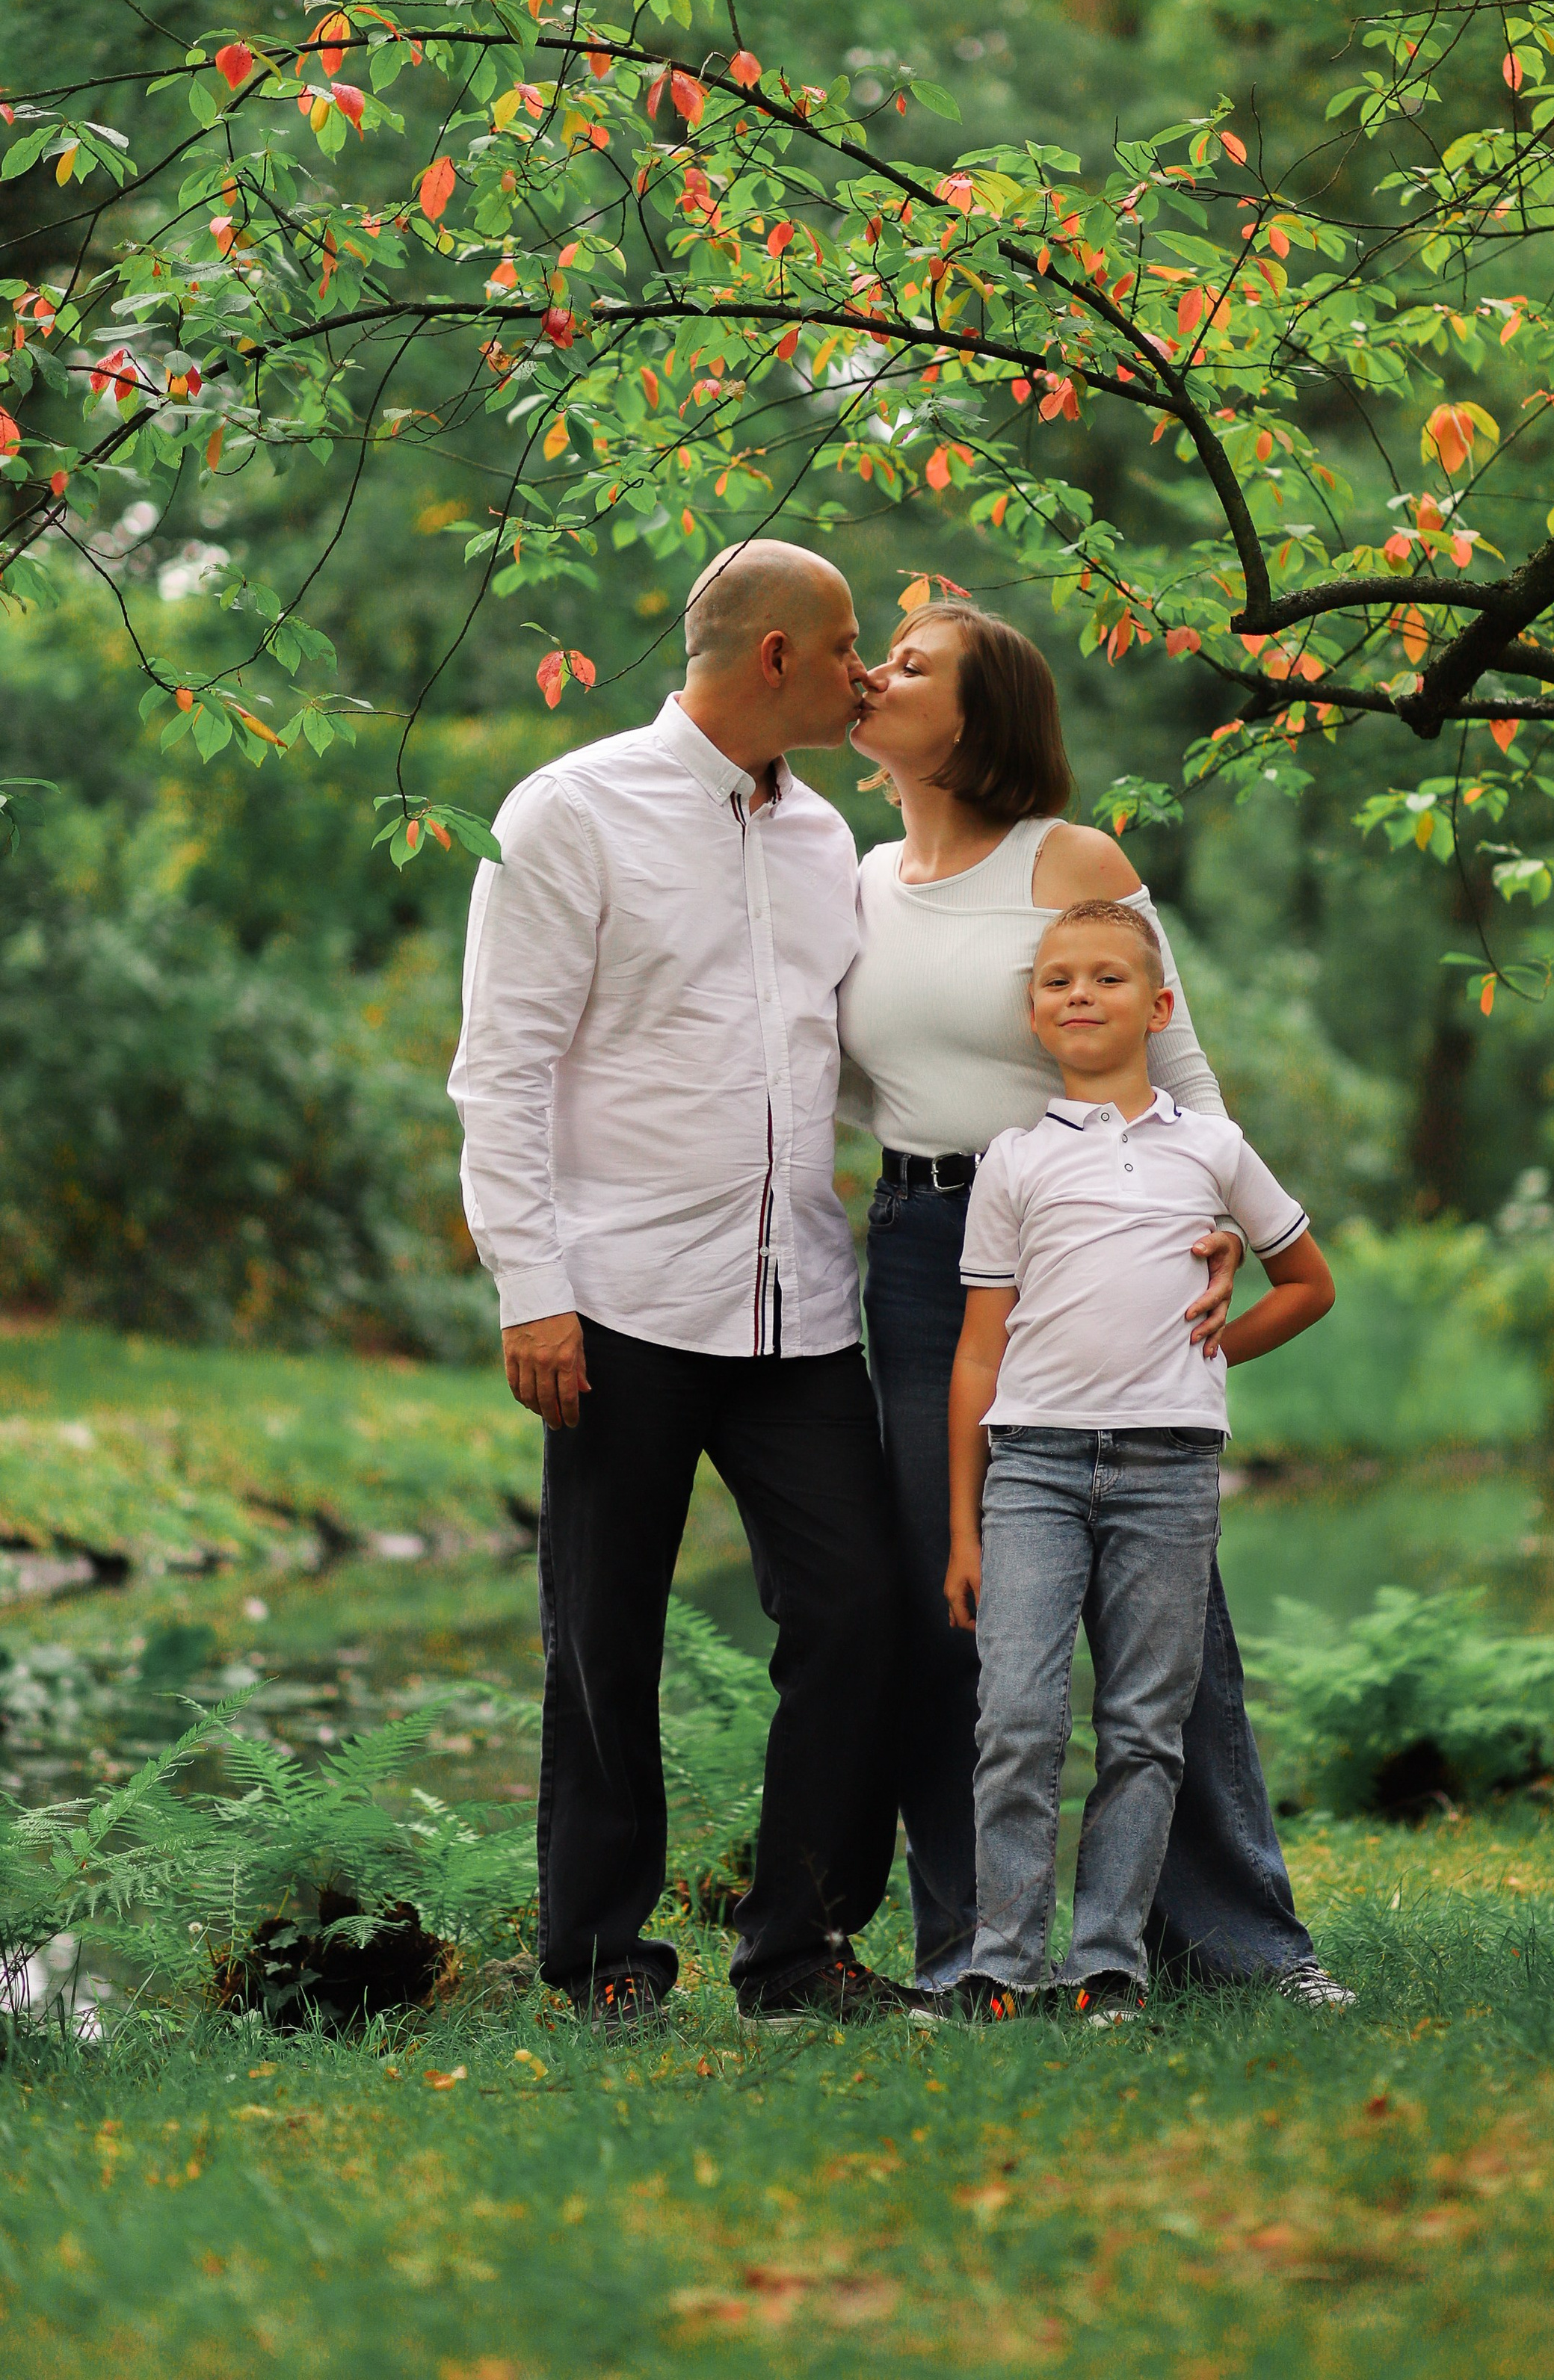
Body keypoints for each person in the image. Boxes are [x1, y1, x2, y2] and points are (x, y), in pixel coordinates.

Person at [839, 599, 1352, 2006]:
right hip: (921, 1243)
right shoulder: (854, 873)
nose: (876, 677)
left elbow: (1180, 1072)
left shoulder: (1072, 863)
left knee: (1169, 1625)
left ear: (980, 714)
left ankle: (1239, 1944)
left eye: (914, 666)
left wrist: (1223, 1219)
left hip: (1105, 1229)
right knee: (957, 1606)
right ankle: (972, 1951)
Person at [448, 539, 915, 2031]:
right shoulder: (568, 812)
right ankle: (602, 1964)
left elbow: (838, 1068)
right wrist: (531, 1285)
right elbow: (502, 1066)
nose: (867, 676)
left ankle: (799, 1949)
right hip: (617, 1300)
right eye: (847, 647)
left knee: (855, 1608)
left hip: (797, 1305)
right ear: (773, 654)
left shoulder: (824, 838)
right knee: (604, 1638)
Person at [943, 900, 1336, 2020]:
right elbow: (980, 1356)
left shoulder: (1214, 1149)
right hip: (1033, 1470)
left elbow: (1309, 1282)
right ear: (1033, 1013)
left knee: (1142, 1730)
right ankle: (1003, 1962)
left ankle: (1105, 1962)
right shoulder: (1013, 1163)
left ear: (1159, 1007)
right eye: (1058, 978)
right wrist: (963, 1527)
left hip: (1169, 1475)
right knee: (1016, 1718)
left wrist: (1220, 1348)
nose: (1080, 994)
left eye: (1108, 978)